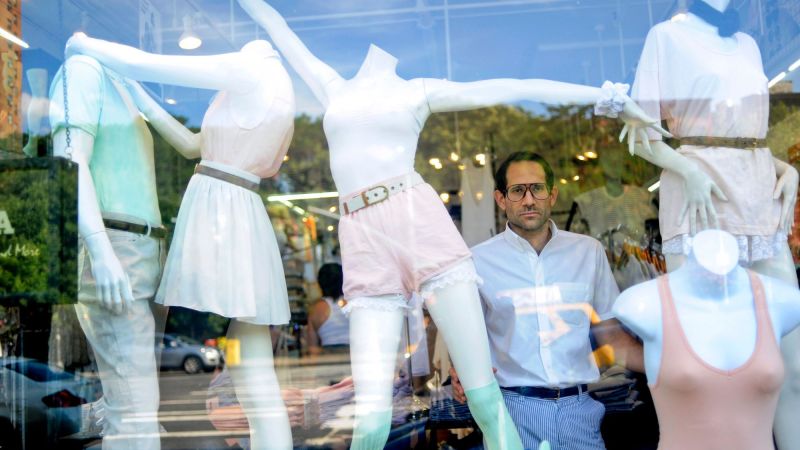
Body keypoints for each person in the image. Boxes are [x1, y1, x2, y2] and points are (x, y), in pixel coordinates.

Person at [236, 2, 669, 448]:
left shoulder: (418, 91)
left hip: (415, 218)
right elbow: (278, 26)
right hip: (362, 234)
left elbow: (511, 87)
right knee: (371, 418)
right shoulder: (332, 86)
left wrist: (607, 98)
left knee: (484, 399)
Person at [66, 32, 297, 449]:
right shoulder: (279, 92)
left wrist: (86, 44)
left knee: (247, 363)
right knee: (253, 368)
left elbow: (144, 61)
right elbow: (192, 145)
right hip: (244, 211)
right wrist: (139, 95)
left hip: (223, 211)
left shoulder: (249, 69)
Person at [451, 151, 643, 450]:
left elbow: (613, 339)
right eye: (518, 190)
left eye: (537, 189)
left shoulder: (588, 251)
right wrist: (461, 370)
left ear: (552, 195)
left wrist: (674, 366)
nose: (529, 200)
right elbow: (467, 338)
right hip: (512, 413)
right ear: (501, 199)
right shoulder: (477, 261)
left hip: (579, 413)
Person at [306, 263, 350, 355]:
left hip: (327, 358)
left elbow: (312, 350)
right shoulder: (352, 303)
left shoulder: (316, 309)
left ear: (320, 283)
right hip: (353, 356)